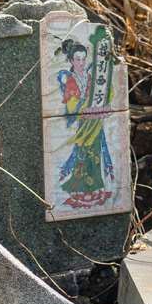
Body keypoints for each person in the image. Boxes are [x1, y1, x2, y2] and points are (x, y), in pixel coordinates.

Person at [54, 37, 114, 209]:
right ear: (71, 60)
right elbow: (72, 104)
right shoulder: (70, 80)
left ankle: (95, 188)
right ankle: (80, 190)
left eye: (83, 59)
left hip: (96, 123)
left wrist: (103, 104)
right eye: (77, 59)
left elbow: (105, 93)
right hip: (84, 124)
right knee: (83, 154)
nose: (81, 62)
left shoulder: (91, 77)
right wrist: (85, 107)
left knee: (96, 155)